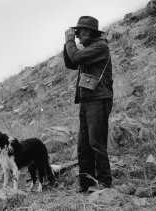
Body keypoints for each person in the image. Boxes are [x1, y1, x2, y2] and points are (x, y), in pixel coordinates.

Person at [63, 16, 113, 193]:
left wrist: (70, 41)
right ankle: (86, 182)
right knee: (83, 145)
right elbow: (70, 62)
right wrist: (67, 43)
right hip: (87, 101)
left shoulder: (100, 47)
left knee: (95, 142)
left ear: (90, 32)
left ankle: (105, 182)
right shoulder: (90, 48)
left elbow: (75, 57)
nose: (77, 35)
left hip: (99, 99)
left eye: (80, 31)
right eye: (76, 32)